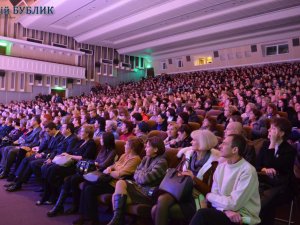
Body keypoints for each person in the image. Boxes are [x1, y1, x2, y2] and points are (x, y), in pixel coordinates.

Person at [189, 134, 261, 225]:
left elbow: (234, 204)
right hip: (224, 211)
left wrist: (209, 196)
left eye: (224, 143)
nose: (220, 146)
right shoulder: (220, 168)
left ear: (235, 150)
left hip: (242, 216)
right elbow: (215, 196)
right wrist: (225, 210)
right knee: (196, 210)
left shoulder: (248, 171)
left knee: (202, 215)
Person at [152, 130, 220, 225]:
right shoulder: (188, 155)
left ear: (203, 143)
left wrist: (193, 178)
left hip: (197, 198)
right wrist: (177, 174)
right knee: (161, 199)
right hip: (180, 191)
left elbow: (211, 191)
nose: (191, 142)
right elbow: (179, 172)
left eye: (194, 140)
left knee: (155, 210)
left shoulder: (214, 163)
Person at [72, 136, 143, 225]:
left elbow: (120, 174)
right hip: (109, 180)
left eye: (126, 145)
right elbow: (114, 165)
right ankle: (83, 216)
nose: (124, 146)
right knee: (86, 184)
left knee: (90, 189)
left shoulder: (135, 160)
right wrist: (110, 168)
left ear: (132, 148)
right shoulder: (124, 155)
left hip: (116, 185)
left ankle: (93, 219)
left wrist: (110, 172)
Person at [47, 132, 116, 217]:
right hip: (92, 170)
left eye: (102, 139)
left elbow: (104, 164)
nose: (100, 140)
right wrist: (95, 163)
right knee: (69, 180)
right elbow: (96, 161)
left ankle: (74, 206)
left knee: (74, 179)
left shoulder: (112, 152)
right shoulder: (103, 149)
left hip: (99, 174)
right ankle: (59, 206)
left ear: (107, 140)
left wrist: (96, 164)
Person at [107, 137, 168, 225]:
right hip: (138, 187)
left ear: (155, 149)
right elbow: (136, 174)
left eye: (147, 147)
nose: (145, 149)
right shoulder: (145, 158)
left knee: (119, 193)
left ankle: (118, 220)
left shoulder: (162, 162)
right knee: (119, 186)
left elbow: (145, 179)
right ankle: (118, 220)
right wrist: (142, 174)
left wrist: (141, 174)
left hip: (148, 193)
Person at [256, 117, 296, 225]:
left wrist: (272, 143)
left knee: (266, 203)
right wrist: (264, 169)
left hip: (282, 186)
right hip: (264, 182)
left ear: (282, 133)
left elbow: (275, 167)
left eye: (273, 128)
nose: (269, 130)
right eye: (270, 128)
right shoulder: (265, 144)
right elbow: (257, 166)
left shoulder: (289, 150)